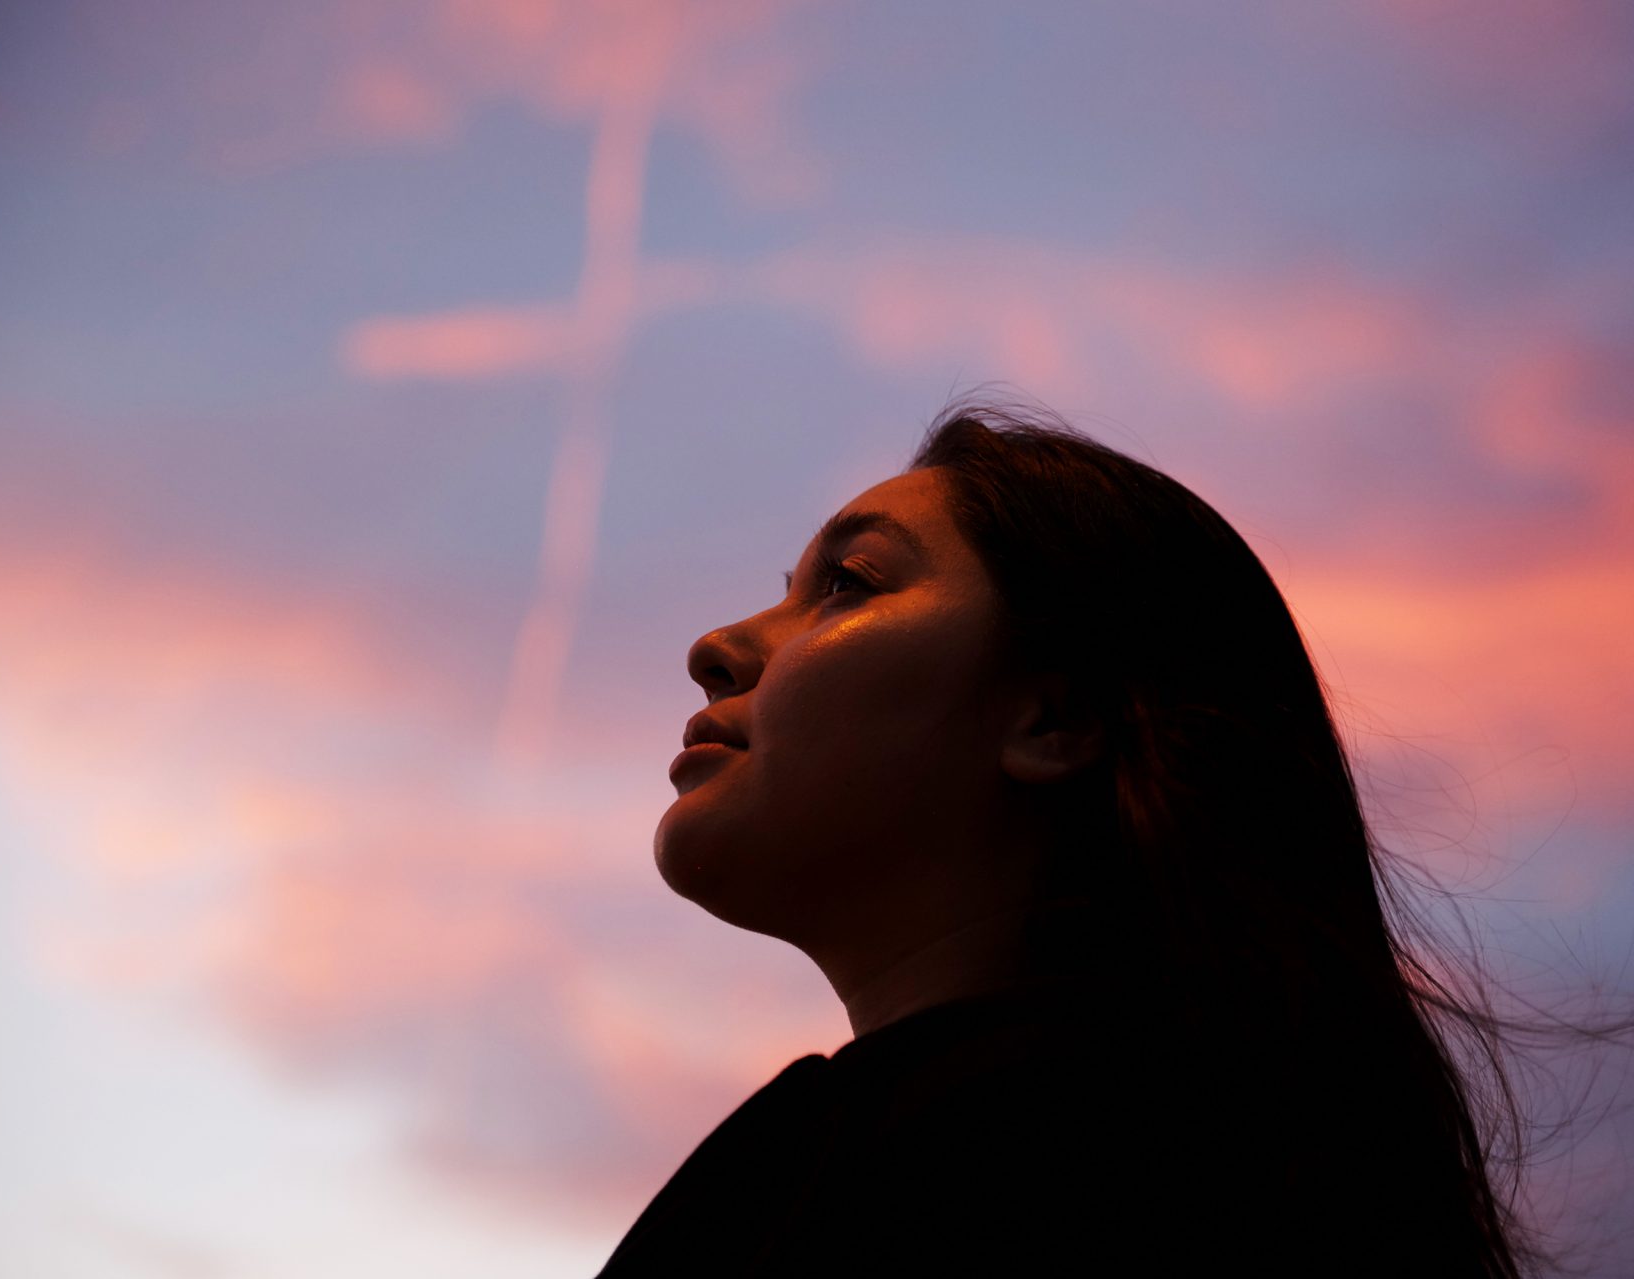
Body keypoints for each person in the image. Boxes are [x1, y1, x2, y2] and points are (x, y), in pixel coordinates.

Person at [596, 394, 1535, 1275]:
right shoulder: (1224, 1166)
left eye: (846, 584)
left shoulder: (968, 1174)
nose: (715, 648)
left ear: (1053, 717)